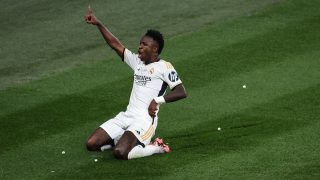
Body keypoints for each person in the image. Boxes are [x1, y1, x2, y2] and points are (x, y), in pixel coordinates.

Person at [84, 6, 187, 160]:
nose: (140, 46)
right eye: (140, 43)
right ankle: (121, 139)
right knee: (92, 143)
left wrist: (157, 101)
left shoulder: (165, 67)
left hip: (144, 121)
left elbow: (181, 91)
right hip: (127, 116)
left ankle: (156, 147)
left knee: (120, 153)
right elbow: (115, 44)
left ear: (155, 49)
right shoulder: (137, 62)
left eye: (144, 44)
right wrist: (98, 24)